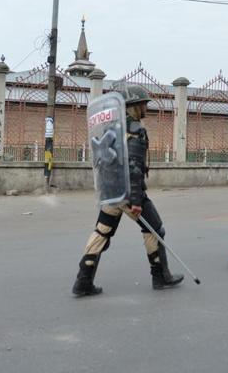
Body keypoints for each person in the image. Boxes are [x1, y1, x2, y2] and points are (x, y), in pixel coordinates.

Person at [72, 85, 184, 296]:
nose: (145, 107)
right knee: (154, 229)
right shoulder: (135, 130)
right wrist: (136, 201)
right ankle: (160, 276)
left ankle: (82, 280)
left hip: (110, 191)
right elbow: (133, 168)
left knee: (101, 232)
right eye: (143, 104)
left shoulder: (111, 129)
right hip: (128, 192)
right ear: (134, 106)